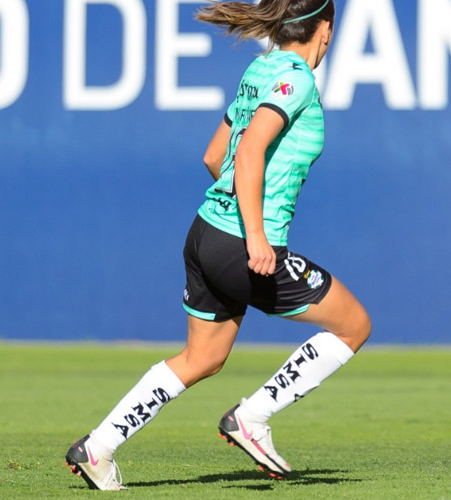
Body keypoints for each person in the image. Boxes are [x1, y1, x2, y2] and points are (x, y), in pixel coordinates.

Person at [64, 0, 370, 490]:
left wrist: (237, 218)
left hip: (205, 231)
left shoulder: (261, 67)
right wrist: (256, 235)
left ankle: (98, 448)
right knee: (353, 324)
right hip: (241, 243)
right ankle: (254, 416)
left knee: (201, 358)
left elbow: (215, 156)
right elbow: (246, 152)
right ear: (326, 29)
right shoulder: (297, 79)